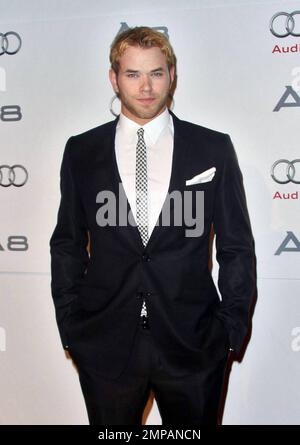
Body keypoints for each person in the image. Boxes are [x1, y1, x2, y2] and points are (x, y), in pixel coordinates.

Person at [50, 26, 256, 425]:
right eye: (133, 74)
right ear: (114, 78)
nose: (146, 87)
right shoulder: (82, 151)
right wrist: (72, 326)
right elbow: (67, 245)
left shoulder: (212, 148)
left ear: (172, 74)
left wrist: (230, 330)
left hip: (194, 346)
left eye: (156, 73)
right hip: (105, 344)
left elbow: (237, 248)